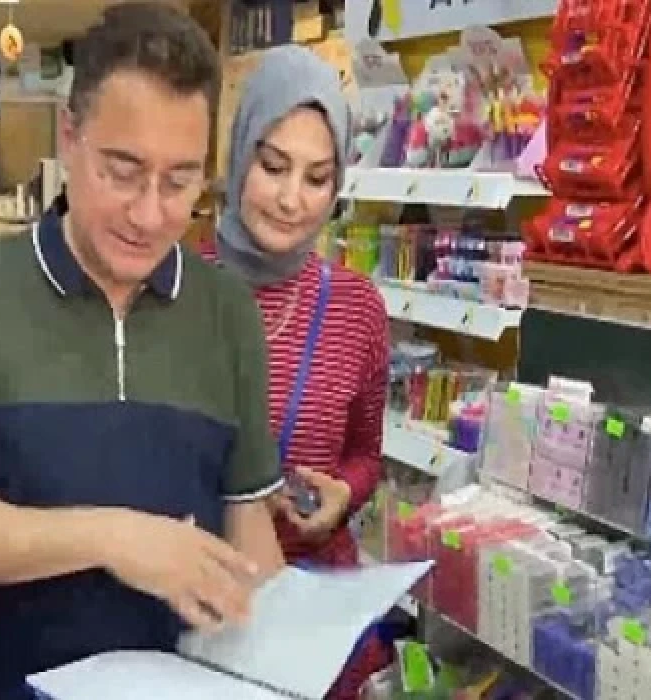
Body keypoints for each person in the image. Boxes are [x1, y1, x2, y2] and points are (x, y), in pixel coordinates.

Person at [0, 4, 286, 699]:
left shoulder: (228, 312)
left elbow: (248, 524)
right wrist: (113, 538)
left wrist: (286, 651)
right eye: (122, 171)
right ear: (69, 139)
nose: (149, 214)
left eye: (180, 181)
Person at [208, 45, 390, 698]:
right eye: (273, 166)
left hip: (316, 619)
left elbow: (366, 453)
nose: (291, 200)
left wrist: (344, 494)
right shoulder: (175, 290)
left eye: (317, 178)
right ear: (239, 156)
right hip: (201, 607)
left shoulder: (357, 308)